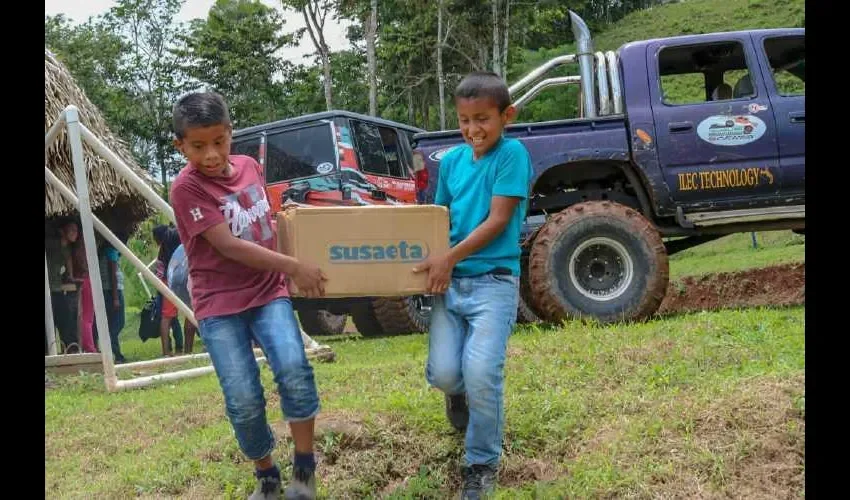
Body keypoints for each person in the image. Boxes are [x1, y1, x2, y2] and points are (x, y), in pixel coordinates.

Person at [169, 91, 327, 500]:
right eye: (198, 146)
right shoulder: (186, 189)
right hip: (219, 305)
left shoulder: (250, 166)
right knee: (242, 396)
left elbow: (270, 221)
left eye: (219, 142)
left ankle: (305, 471)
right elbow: (230, 246)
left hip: (267, 292)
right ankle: (267, 476)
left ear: (230, 134)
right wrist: (294, 267)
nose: (211, 155)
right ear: (180, 145)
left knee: (293, 368)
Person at [412, 71, 533, 499]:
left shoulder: (512, 155)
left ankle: (480, 463)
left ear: (506, 116)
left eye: (482, 119)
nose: (472, 130)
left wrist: (449, 257)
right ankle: (457, 396)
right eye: (464, 120)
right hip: (451, 283)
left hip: (494, 283)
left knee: (482, 373)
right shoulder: (451, 163)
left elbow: (499, 219)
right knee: (446, 374)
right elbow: (438, 217)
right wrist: (422, 258)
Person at [46, 219, 81, 354]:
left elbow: (68, 260)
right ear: (63, 231)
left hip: (56, 289)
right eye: (71, 230)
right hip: (49, 289)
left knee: (65, 320)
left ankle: (70, 351)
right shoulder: (53, 243)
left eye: (76, 230)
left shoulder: (67, 247)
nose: (75, 233)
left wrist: (71, 276)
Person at [152, 224, 184, 356]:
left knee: (167, 317)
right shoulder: (176, 240)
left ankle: (166, 351)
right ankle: (181, 349)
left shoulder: (163, 250)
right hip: (179, 278)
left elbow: (159, 270)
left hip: (166, 281)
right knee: (186, 313)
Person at [97, 233, 128, 363]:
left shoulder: (103, 251)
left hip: (106, 291)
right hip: (112, 291)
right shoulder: (111, 251)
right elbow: (113, 275)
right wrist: (116, 298)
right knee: (118, 323)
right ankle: (115, 353)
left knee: (111, 323)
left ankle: (111, 353)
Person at [167, 243, 197, 354]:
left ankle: (188, 350)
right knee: (193, 314)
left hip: (186, 279)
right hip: (192, 277)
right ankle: (189, 350)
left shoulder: (184, 245)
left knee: (191, 314)